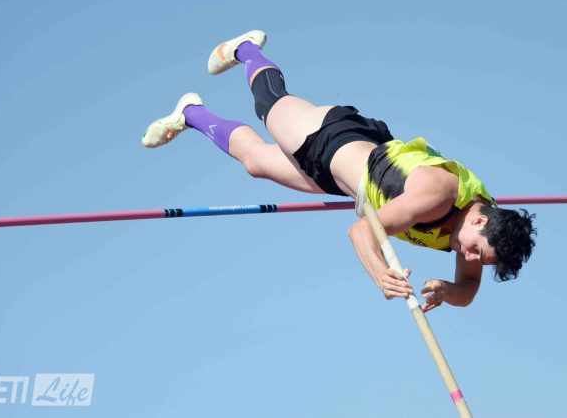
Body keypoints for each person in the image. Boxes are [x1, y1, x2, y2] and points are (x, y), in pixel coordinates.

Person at [141, 30, 536, 312]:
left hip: (346, 177)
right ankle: (245, 49)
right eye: (475, 250)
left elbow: (469, 287)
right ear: (480, 220)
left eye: (478, 258)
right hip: (331, 139)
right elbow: (361, 231)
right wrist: (382, 275)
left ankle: (190, 113)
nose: (467, 256)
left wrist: (450, 290)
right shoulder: (436, 196)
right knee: (271, 104)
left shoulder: (479, 228)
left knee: (255, 162)